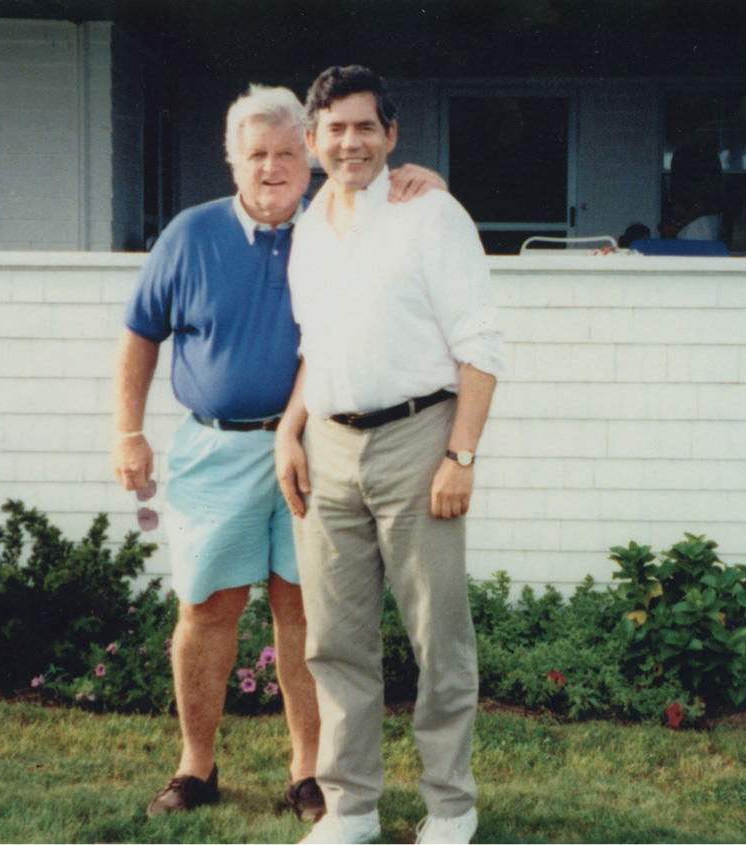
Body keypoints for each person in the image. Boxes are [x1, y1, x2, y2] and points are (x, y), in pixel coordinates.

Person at [112, 82, 443, 824]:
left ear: (311, 160)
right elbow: (140, 333)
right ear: (233, 161)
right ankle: (195, 767)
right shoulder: (190, 235)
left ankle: (309, 774)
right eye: (256, 154)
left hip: (315, 447)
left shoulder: (335, 225)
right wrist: (127, 431)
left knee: (308, 615)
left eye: (288, 152)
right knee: (207, 610)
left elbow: (402, 209)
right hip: (214, 449)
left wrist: (430, 177)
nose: (272, 167)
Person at [275, 65, 504, 845]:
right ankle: (353, 810)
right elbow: (317, 346)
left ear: (391, 136)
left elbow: (481, 347)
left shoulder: (430, 214)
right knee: (334, 641)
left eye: (365, 127)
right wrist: (289, 429)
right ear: (313, 141)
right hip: (327, 445)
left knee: (437, 635)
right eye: (335, 129)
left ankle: (450, 808)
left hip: (418, 439)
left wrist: (460, 456)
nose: (351, 142)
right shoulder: (307, 230)